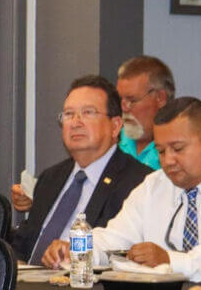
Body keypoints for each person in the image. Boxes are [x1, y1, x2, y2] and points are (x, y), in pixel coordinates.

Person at [43, 97, 201, 283]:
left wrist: (170, 261)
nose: (168, 160)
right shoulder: (154, 186)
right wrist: (77, 248)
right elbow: (115, 238)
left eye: (178, 148)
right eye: (161, 151)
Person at [11, 76, 152, 265]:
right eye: (69, 114)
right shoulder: (51, 178)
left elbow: (119, 252)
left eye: (88, 113)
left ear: (116, 125)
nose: (76, 122)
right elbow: (23, 244)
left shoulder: (138, 183)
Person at [116, 55, 175, 170]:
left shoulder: (179, 149)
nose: (124, 108)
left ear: (160, 98)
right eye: (120, 100)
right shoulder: (110, 142)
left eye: (132, 100)